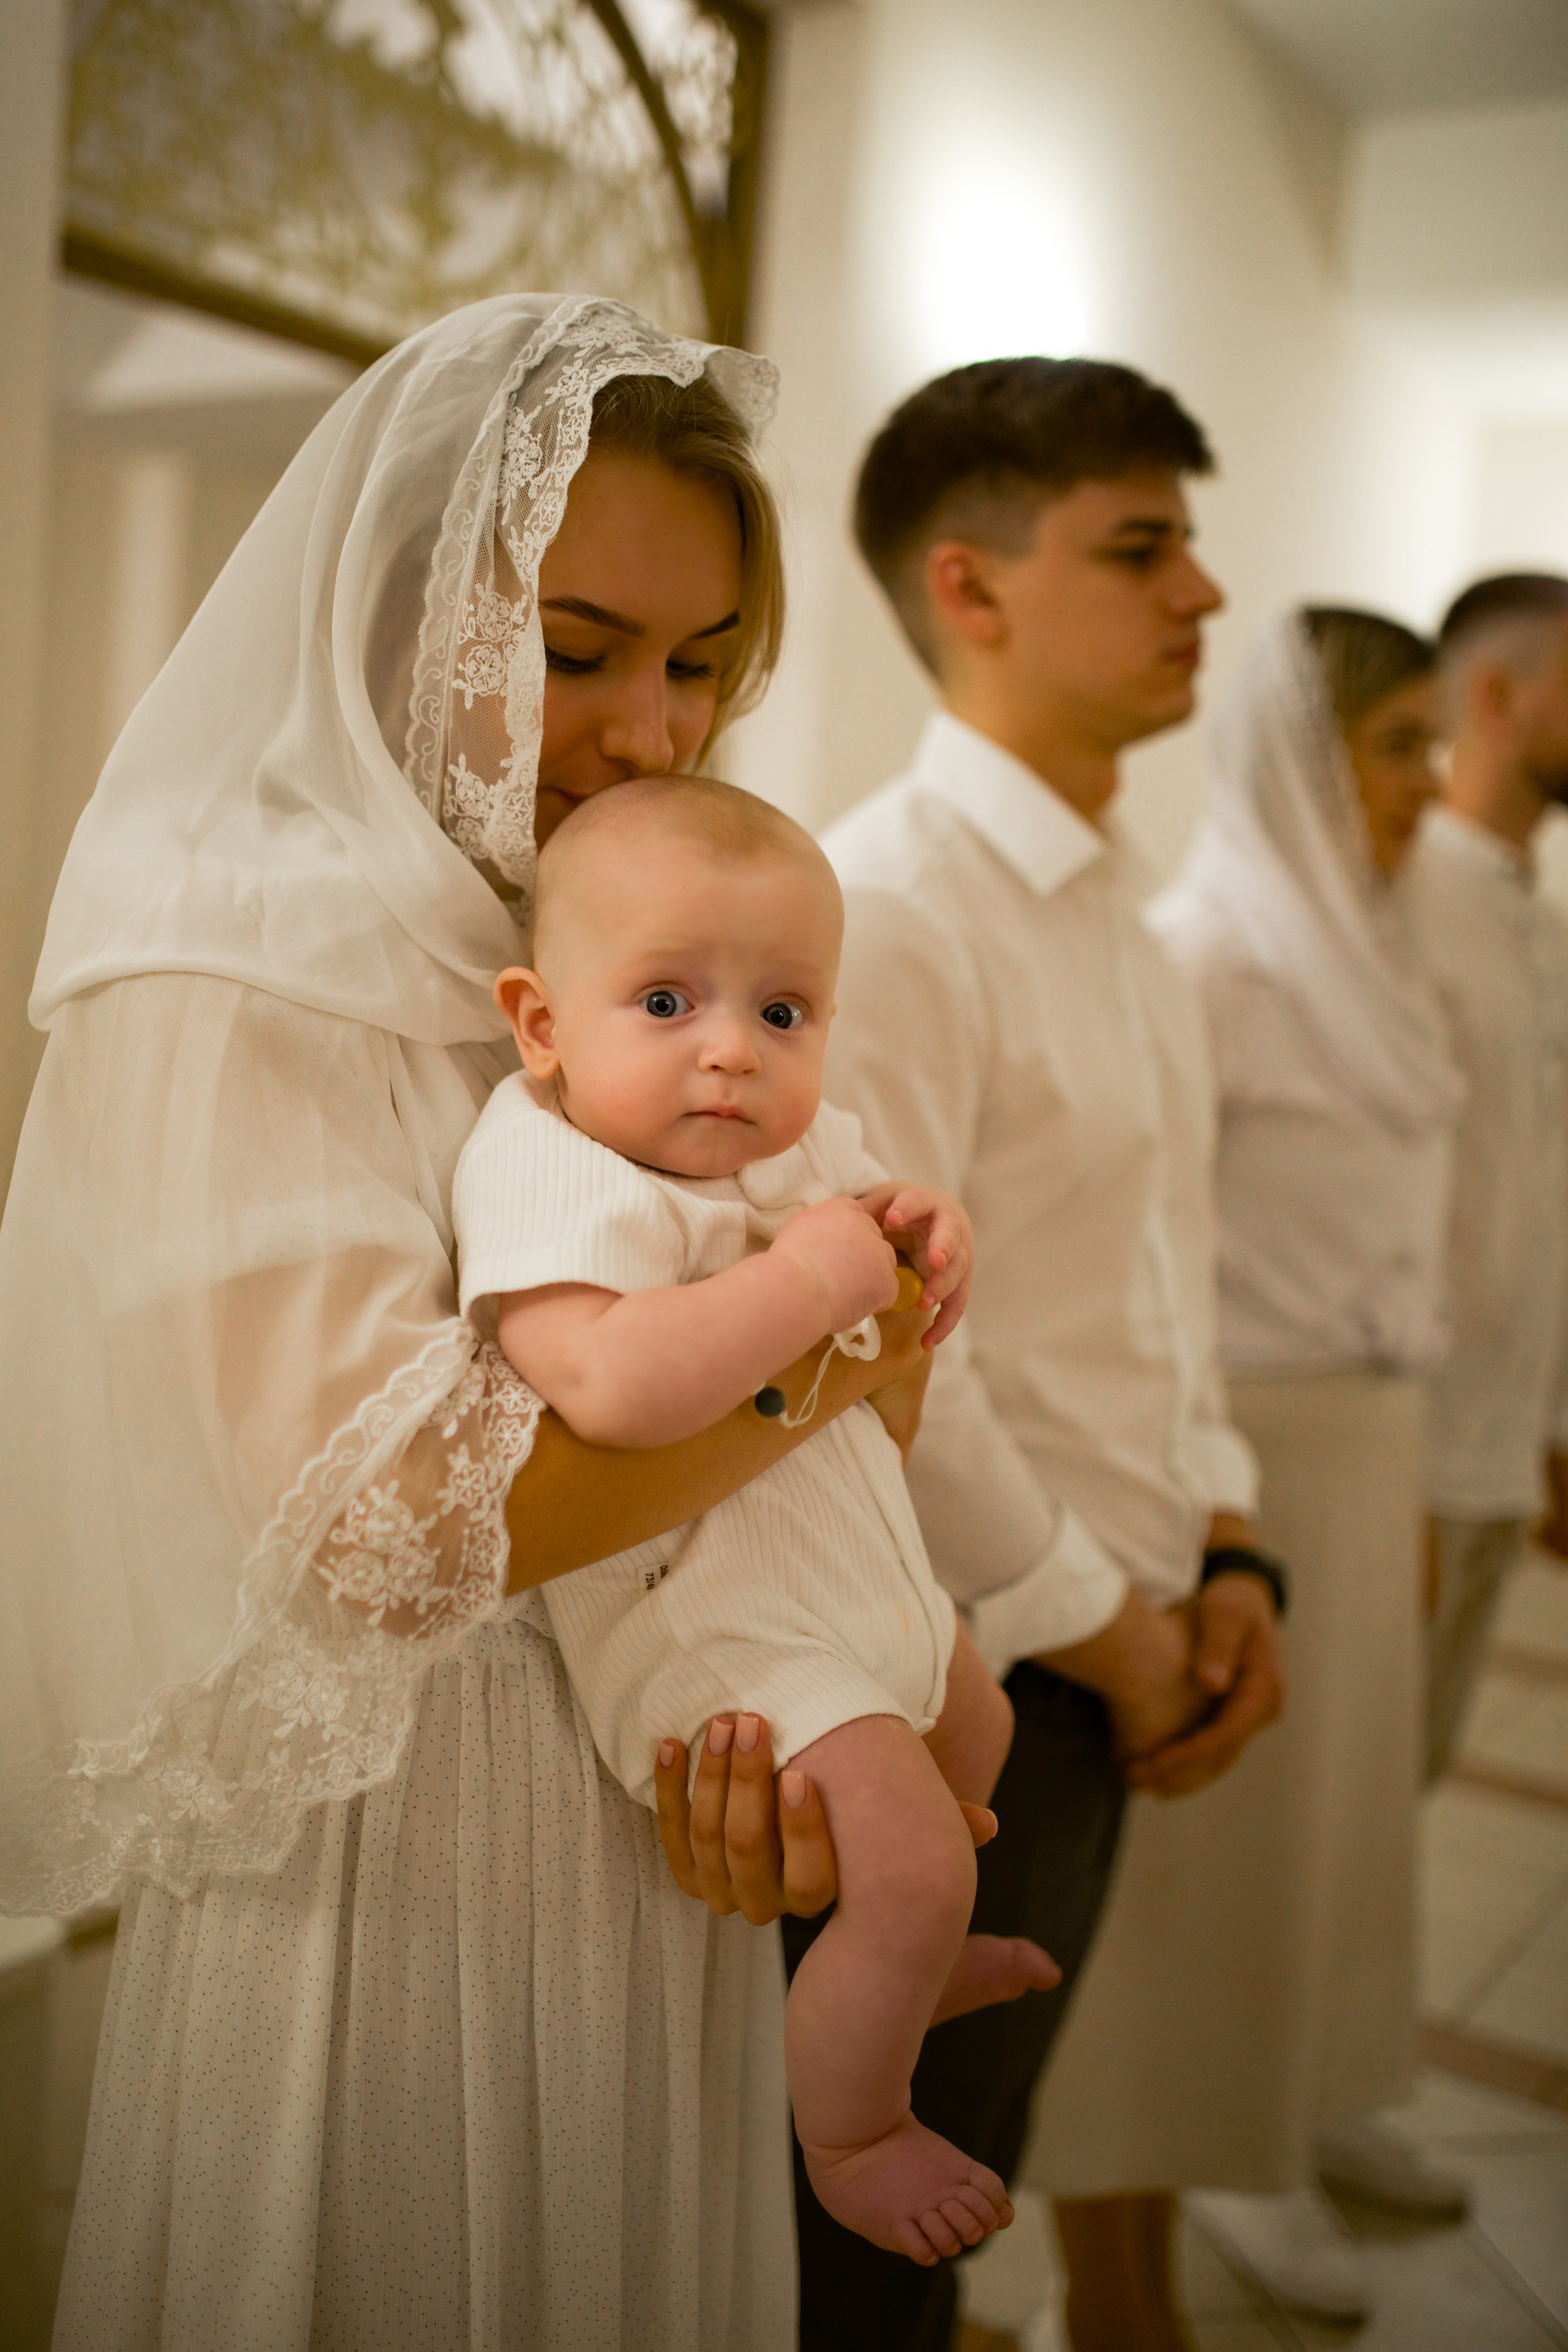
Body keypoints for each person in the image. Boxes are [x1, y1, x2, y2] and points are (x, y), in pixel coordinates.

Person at [0, 295, 933, 2352]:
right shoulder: (230, 968)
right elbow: (396, 1519)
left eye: (699, 663)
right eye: (577, 650)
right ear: (399, 621)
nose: (649, 732)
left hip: (653, 1782)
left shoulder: (626, 952)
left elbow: (868, 1399)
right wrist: (834, 1345)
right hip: (397, 1857)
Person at [785, 355, 1286, 2352]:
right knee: (873, 2241)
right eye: (1142, 548)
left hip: (1125, 1632)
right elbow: (892, 1358)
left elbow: (1169, 1267)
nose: (1205, 595)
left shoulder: (1122, 913)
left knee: (961, 2185)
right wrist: (1111, 1630)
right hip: (982, 1675)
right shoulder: (891, 906)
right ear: (970, 585)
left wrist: (1232, 1551)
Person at [455, 772, 1061, 2263]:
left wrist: (921, 1224)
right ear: (542, 1026)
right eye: (666, 1002)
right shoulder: (546, 1161)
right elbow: (606, 1384)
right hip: (710, 1627)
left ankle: (902, 1961)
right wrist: (803, 1285)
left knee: (979, 1731)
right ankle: (854, 2128)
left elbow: (879, 1258)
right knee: (919, 1858)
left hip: (840, 1586)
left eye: (781, 1013)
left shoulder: (780, 1146)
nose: (731, 1050)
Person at [1044, 608, 1464, 2331]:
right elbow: (1143, 1251)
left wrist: (1417, 1479)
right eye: (1397, 747)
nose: (1428, 785)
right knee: (1221, 1868)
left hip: (1364, 1442)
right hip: (1248, 1448)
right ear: (1304, 756)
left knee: (1338, 1834)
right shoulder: (1210, 951)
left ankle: (1303, 2100)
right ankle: (1205, 2155)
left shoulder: (1369, 943)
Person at [1409, 573, 1568, 1779]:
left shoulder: (1543, 926)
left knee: (1415, 1783)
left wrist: (1550, 1423)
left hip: (1501, 1440)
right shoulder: (1401, 904)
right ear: (1498, 696)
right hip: (1405, 1452)